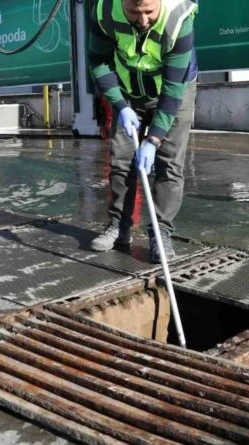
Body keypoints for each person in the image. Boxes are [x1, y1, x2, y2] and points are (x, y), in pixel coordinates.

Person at [87, 0, 198, 263]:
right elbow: (99, 63)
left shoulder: (179, 19)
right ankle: (118, 226)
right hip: (128, 93)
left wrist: (154, 138)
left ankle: (160, 233)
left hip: (174, 90)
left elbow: (172, 93)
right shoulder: (104, 12)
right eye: (135, 12)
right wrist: (120, 105)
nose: (143, 20)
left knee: (169, 162)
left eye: (149, 11)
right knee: (121, 159)